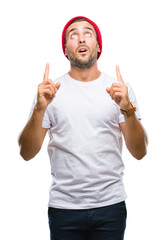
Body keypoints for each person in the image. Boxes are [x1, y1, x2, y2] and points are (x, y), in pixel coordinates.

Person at [18, 16, 148, 240]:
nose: (81, 39)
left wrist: (128, 109)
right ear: (66, 50)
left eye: (88, 33)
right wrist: (39, 109)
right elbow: (26, 153)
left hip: (110, 206)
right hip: (63, 208)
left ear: (98, 46)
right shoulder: (50, 92)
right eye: (73, 34)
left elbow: (140, 152)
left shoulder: (119, 91)